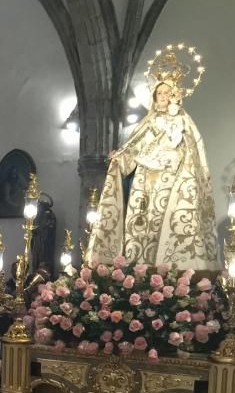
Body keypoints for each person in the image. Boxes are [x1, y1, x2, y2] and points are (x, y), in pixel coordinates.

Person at [87, 71, 218, 269]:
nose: (164, 96)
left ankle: (167, 266)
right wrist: (120, 157)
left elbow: (191, 151)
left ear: (176, 96)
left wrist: (177, 134)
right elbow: (133, 148)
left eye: (168, 92)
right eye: (160, 93)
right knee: (142, 224)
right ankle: (137, 266)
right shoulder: (146, 123)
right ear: (154, 97)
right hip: (145, 180)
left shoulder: (184, 121)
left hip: (170, 178)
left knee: (165, 222)